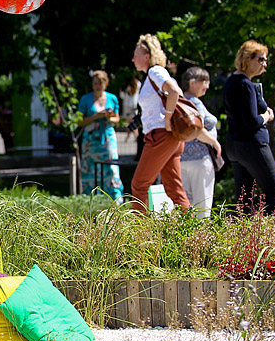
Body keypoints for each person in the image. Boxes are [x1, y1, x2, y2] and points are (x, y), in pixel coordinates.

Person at [129, 34, 217, 212]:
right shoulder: (152, 75)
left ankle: (140, 233)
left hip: (160, 136)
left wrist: (168, 118)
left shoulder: (155, 71)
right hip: (168, 138)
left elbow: (175, 91)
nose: (133, 59)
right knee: (175, 190)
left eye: (136, 55)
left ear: (147, 56)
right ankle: (190, 232)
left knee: (139, 186)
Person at [222, 40, 275, 217]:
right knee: (274, 191)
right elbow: (252, 121)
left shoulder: (230, 82)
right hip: (252, 145)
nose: (264, 65)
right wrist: (267, 116)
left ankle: (242, 237)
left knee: (244, 197)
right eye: (261, 60)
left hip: (234, 146)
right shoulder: (246, 85)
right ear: (247, 59)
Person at [179, 67, 222, 218]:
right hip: (200, 159)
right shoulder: (195, 102)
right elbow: (197, 129)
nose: (208, 86)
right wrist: (214, 142)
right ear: (192, 83)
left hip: (181, 159)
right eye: (204, 82)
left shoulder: (178, 102)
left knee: (185, 207)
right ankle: (201, 240)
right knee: (202, 208)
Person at [76, 70, 123, 203]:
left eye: (100, 83)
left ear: (106, 83)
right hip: (90, 140)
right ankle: (90, 201)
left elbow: (117, 119)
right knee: (90, 169)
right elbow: (79, 121)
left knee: (111, 168)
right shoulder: (86, 99)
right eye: (95, 83)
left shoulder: (112, 98)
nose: (98, 86)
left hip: (107, 137)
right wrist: (96, 116)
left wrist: (108, 117)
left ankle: (115, 201)